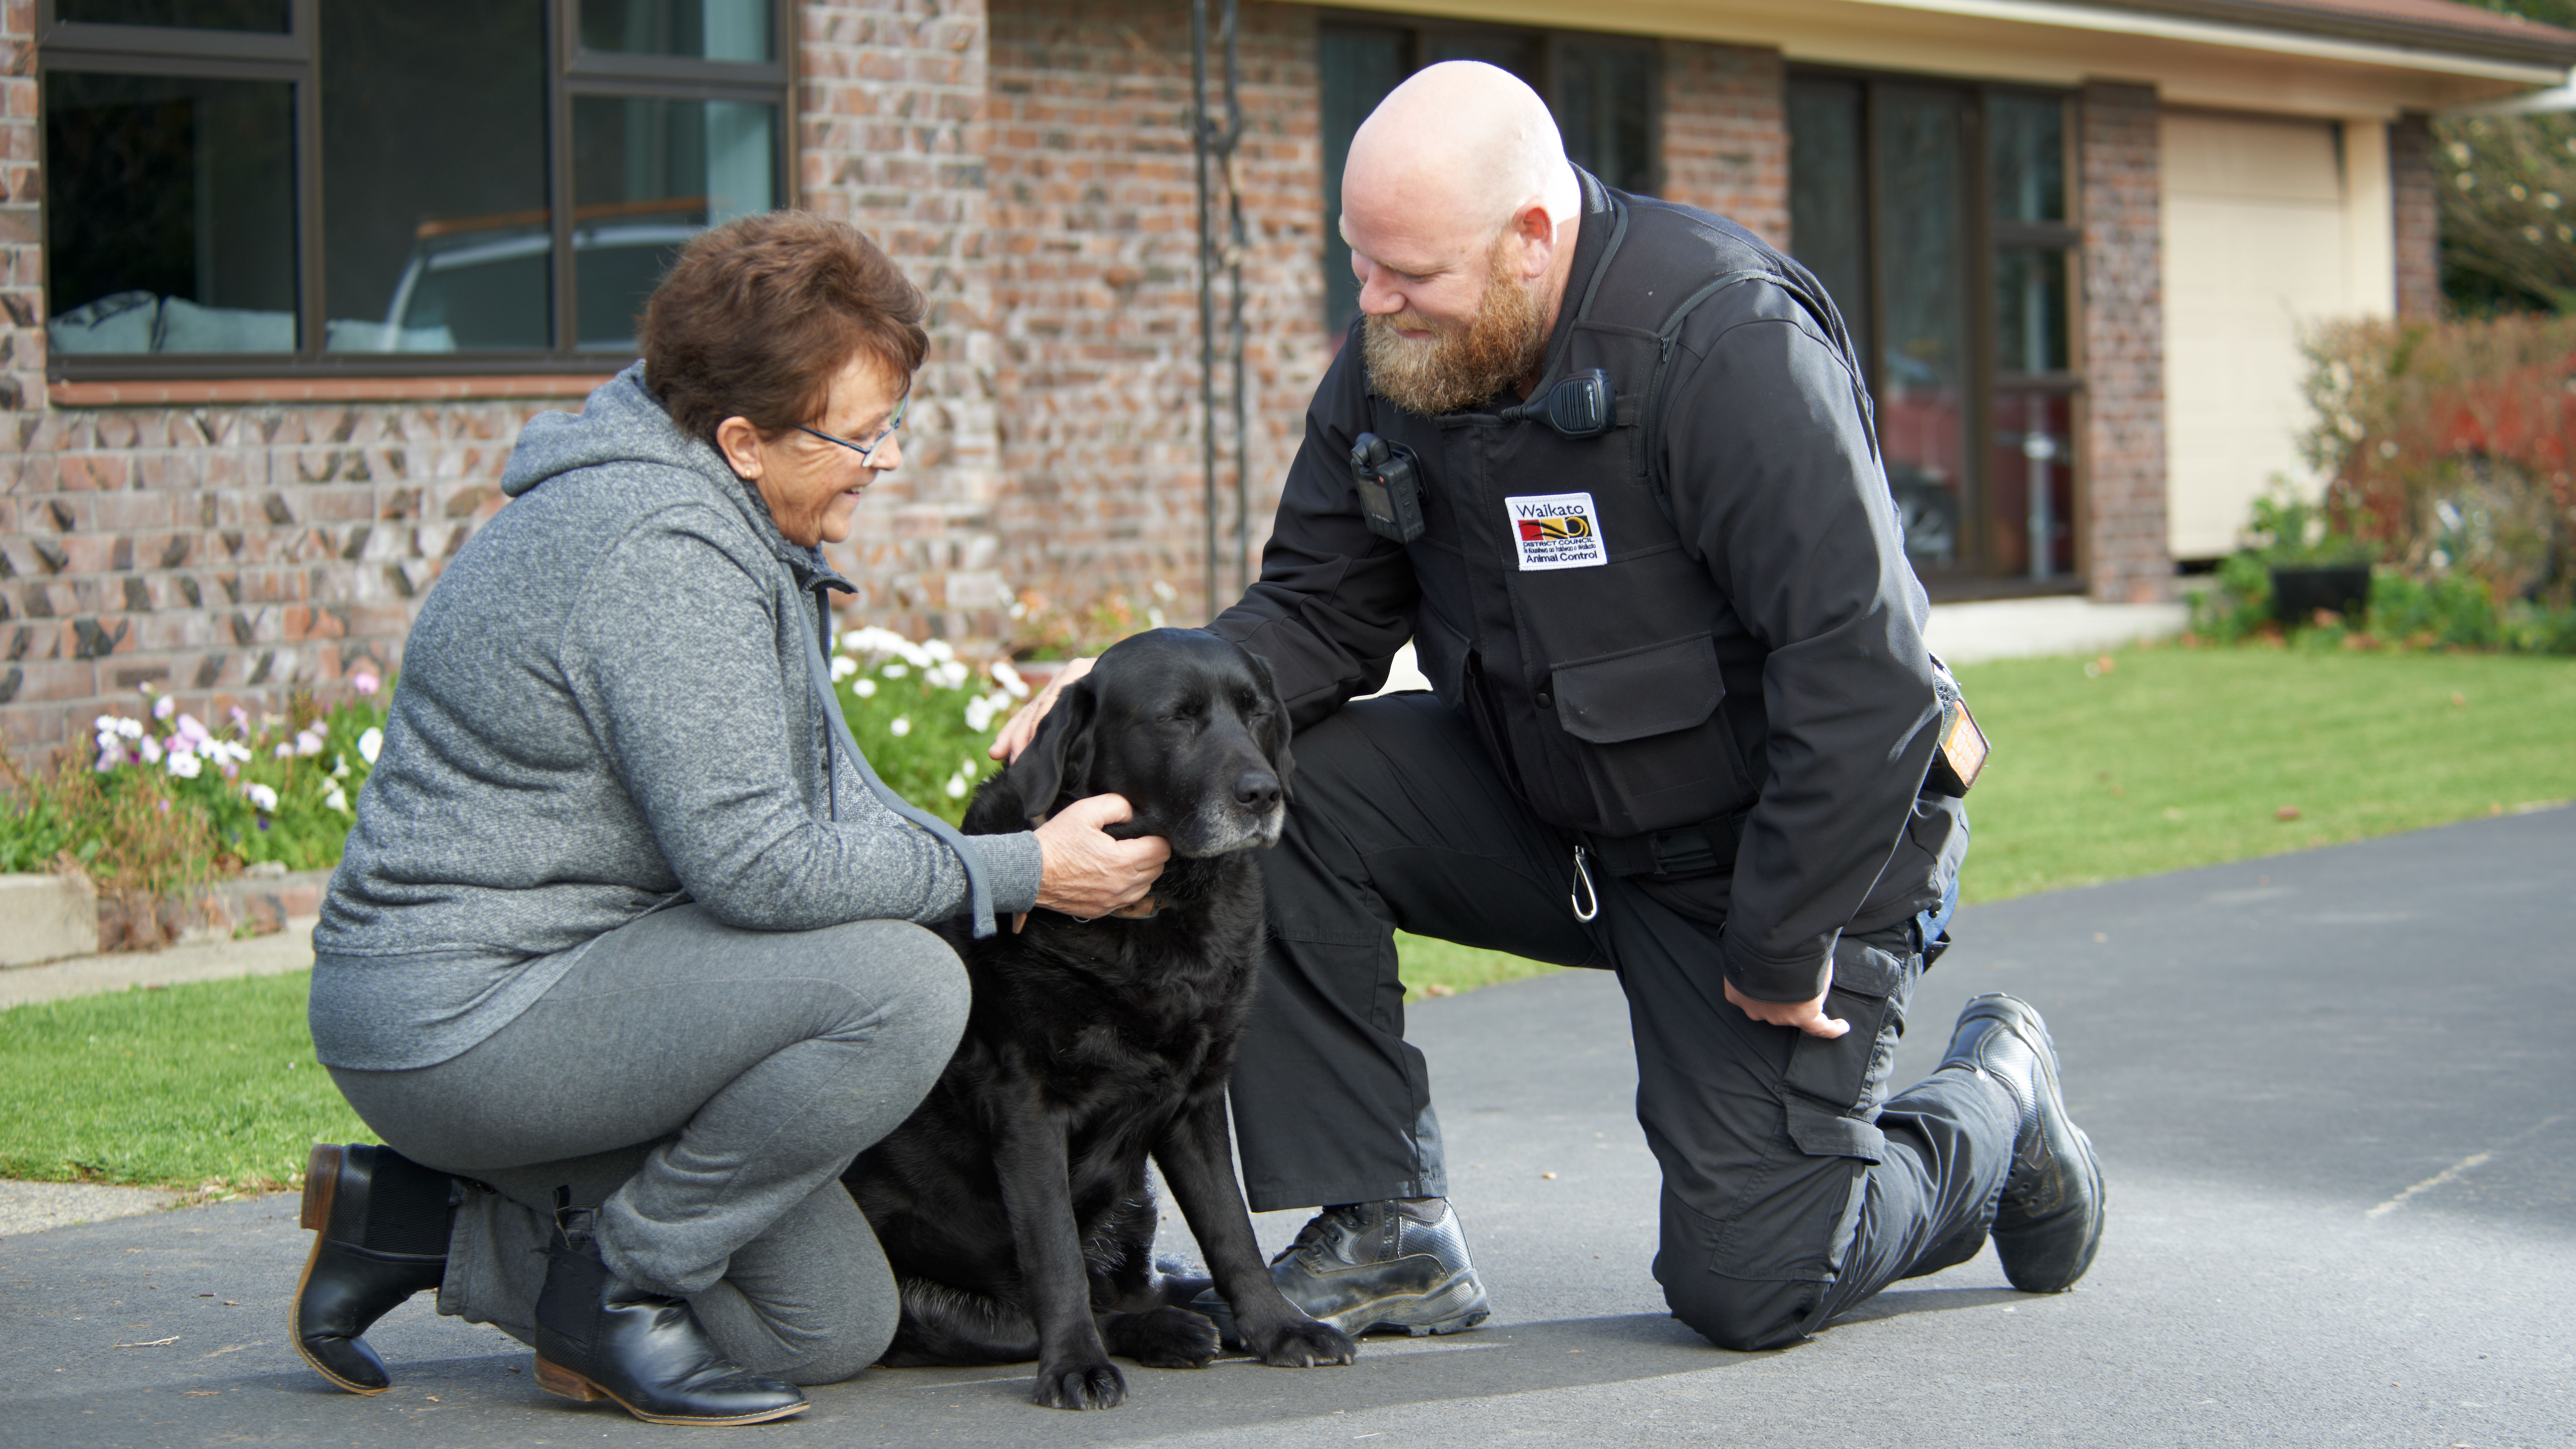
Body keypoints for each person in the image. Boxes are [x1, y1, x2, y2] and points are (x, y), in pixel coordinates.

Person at [993, 62, 2103, 1352]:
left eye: (1408, 271)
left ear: (1532, 236)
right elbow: (1313, 612)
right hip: (1560, 816)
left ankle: (1996, 1103)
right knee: (1278, 789)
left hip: (1779, 854)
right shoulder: (1398, 363)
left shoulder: (1722, 342)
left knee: (1757, 1279)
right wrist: (1107, 690)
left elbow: (1863, 672)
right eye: (1359, 262)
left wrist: (1786, 930)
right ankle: (1388, 1224)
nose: (1373, 301)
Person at [291, 212, 1170, 1424]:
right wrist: (1024, 868)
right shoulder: (662, 554)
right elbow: (761, 868)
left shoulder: (724, 515)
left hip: (585, 985)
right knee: (902, 988)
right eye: (859, 436)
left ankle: (419, 1226)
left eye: (890, 425)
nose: (886, 459)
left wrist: (1007, 809)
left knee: (832, 1323)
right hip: (464, 1014)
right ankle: (617, 1284)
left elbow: (797, 822)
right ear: (745, 439)